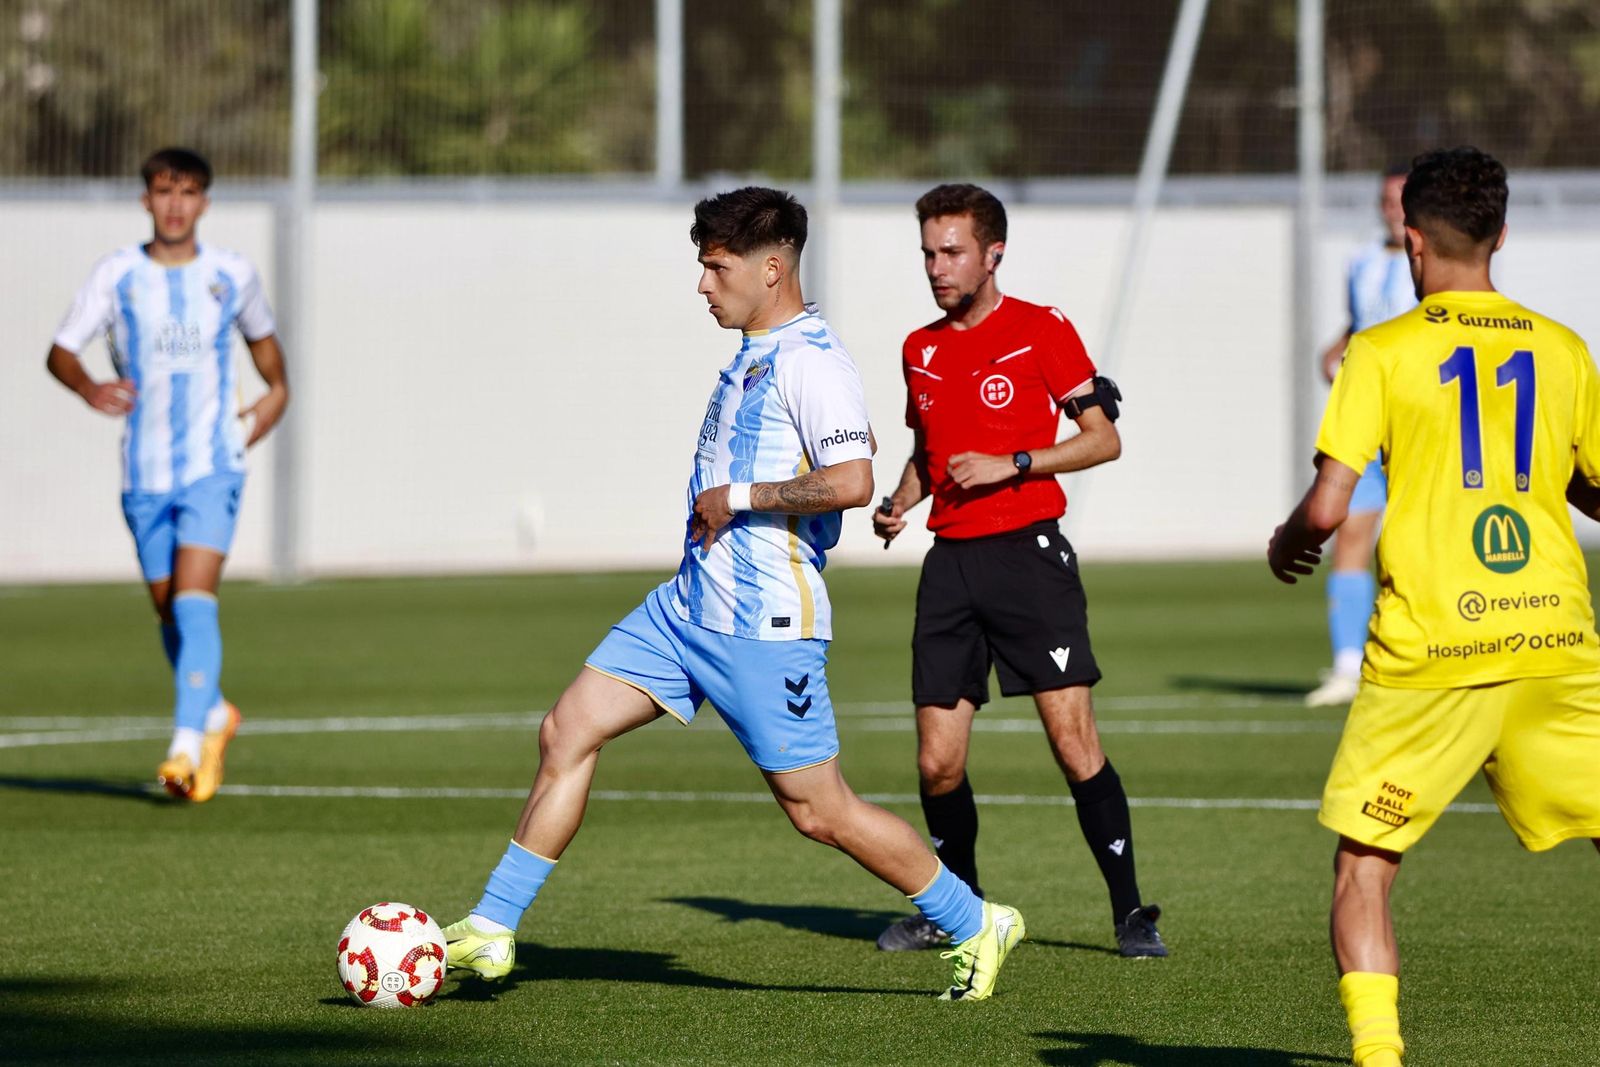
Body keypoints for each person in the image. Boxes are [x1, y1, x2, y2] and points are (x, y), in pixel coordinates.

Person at [443, 187, 1025, 1001]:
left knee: (819, 811)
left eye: (717, 267)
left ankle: (974, 919)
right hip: (687, 607)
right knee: (565, 729)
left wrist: (742, 496)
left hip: (763, 623)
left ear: (772, 268)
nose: (703, 284)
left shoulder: (812, 361)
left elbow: (855, 480)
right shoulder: (752, 352)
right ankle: (494, 928)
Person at [1269, 146, 1600, 1067]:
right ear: (1503, 233)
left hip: (1431, 651)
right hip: (1555, 638)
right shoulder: (1565, 347)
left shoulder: (1381, 351)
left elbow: (1332, 509)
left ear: (1412, 241)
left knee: (1365, 868)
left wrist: (1287, 539)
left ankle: (1381, 1059)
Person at [872, 183, 1165, 958]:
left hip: (1029, 558)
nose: (937, 267)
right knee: (937, 762)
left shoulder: (1042, 329)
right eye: (929, 252)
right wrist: (899, 501)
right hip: (949, 568)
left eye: (952, 251)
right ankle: (954, 912)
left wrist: (1017, 462)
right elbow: (928, 453)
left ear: (993, 253)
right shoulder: (919, 348)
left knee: (1073, 743)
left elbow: (1103, 438)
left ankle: (1132, 913)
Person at [45, 146, 289, 803]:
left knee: (192, 597)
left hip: (213, 464)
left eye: (187, 192)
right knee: (167, 609)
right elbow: (61, 351)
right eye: (163, 191)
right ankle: (214, 714)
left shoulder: (231, 275)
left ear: (205, 202)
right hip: (144, 471)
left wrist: (263, 411)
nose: (175, 204)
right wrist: (90, 388)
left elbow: (274, 370)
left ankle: (184, 743)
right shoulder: (118, 274)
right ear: (146, 199)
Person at [1307, 164, 1418, 707]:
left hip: (1420, 427)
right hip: (1367, 426)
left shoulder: (1436, 264)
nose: (1392, 209)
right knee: (1350, 535)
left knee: (1418, 542)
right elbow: (1360, 324)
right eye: (1386, 199)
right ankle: (1349, 668)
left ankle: (1423, 657)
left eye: (1402, 199)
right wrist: (1336, 348)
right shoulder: (1362, 262)